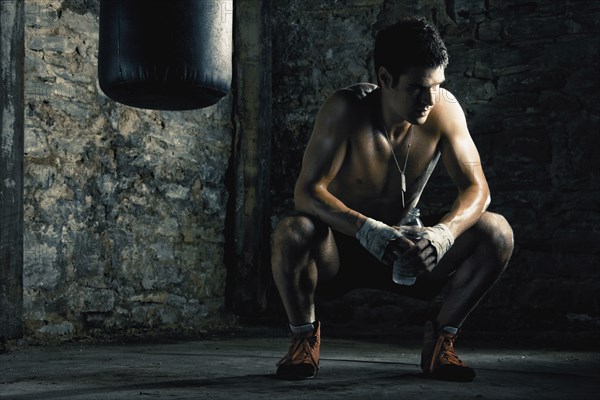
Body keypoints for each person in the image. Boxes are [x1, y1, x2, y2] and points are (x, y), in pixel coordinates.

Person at [271, 17, 514, 382]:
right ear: (386, 79)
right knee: (292, 231)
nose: (429, 99)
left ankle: (441, 342)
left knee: (497, 232)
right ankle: (303, 340)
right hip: (344, 250)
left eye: (436, 86)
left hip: (407, 251)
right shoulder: (347, 110)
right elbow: (307, 191)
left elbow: (477, 188)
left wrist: (442, 235)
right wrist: (367, 230)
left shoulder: (444, 110)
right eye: (417, 87)